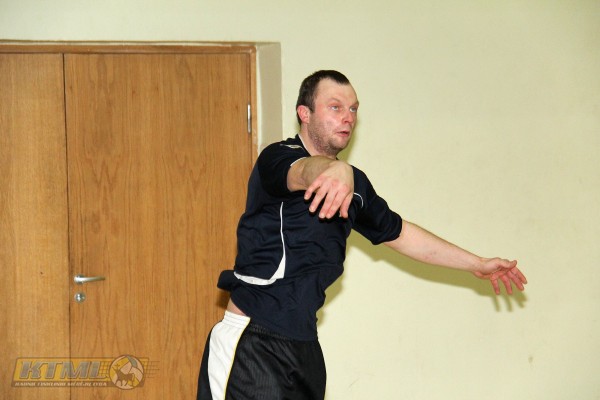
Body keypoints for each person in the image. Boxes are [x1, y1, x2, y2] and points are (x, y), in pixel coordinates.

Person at [197, 70, 527, 400]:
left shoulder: (356, 185)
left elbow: (400, 233)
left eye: (353, 109)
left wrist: (476, 263)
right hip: (253, 342)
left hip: (304, 348)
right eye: (335, 107)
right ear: (304, 113)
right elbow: (303, 172)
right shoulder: (279, 157)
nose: (348, 117)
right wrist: (334, 168)